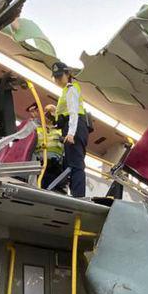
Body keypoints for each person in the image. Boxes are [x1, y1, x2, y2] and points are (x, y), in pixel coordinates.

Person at [51, 61, 89, 197]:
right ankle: (75, 194)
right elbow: (68, 112)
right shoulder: (66, 91)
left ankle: (78, 196)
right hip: (74, 126)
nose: (57, 79)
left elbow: (73, 112)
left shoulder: (71, 89)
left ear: (68, 74)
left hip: (75, 127)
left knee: (76, 163)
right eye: (55, 77)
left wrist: (71, 133)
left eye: (60, 76)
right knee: (71, 163)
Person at [26, 103, 64, 191]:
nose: (47, 113)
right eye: (46, 111)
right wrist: (34, 118)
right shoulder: (37, 128)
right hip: (38, 165)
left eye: (51, 112)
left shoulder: (61, 131)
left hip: (55, 168)